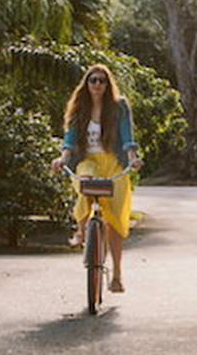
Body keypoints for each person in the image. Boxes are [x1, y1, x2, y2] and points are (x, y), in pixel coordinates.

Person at [51, 64, 144, 293]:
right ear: (87, 83)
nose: (97, 84)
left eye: (102, 80)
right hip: (88, 161)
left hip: (113, 161)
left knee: (114, 220)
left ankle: (117, 275)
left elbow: (126, 136)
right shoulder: (78, 108)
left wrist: (132, 158)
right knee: (86, 182)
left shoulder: (119, 106)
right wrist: (62, 159)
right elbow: (70, 140)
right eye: (93, 80)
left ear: (107, 83)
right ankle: (82, 232)